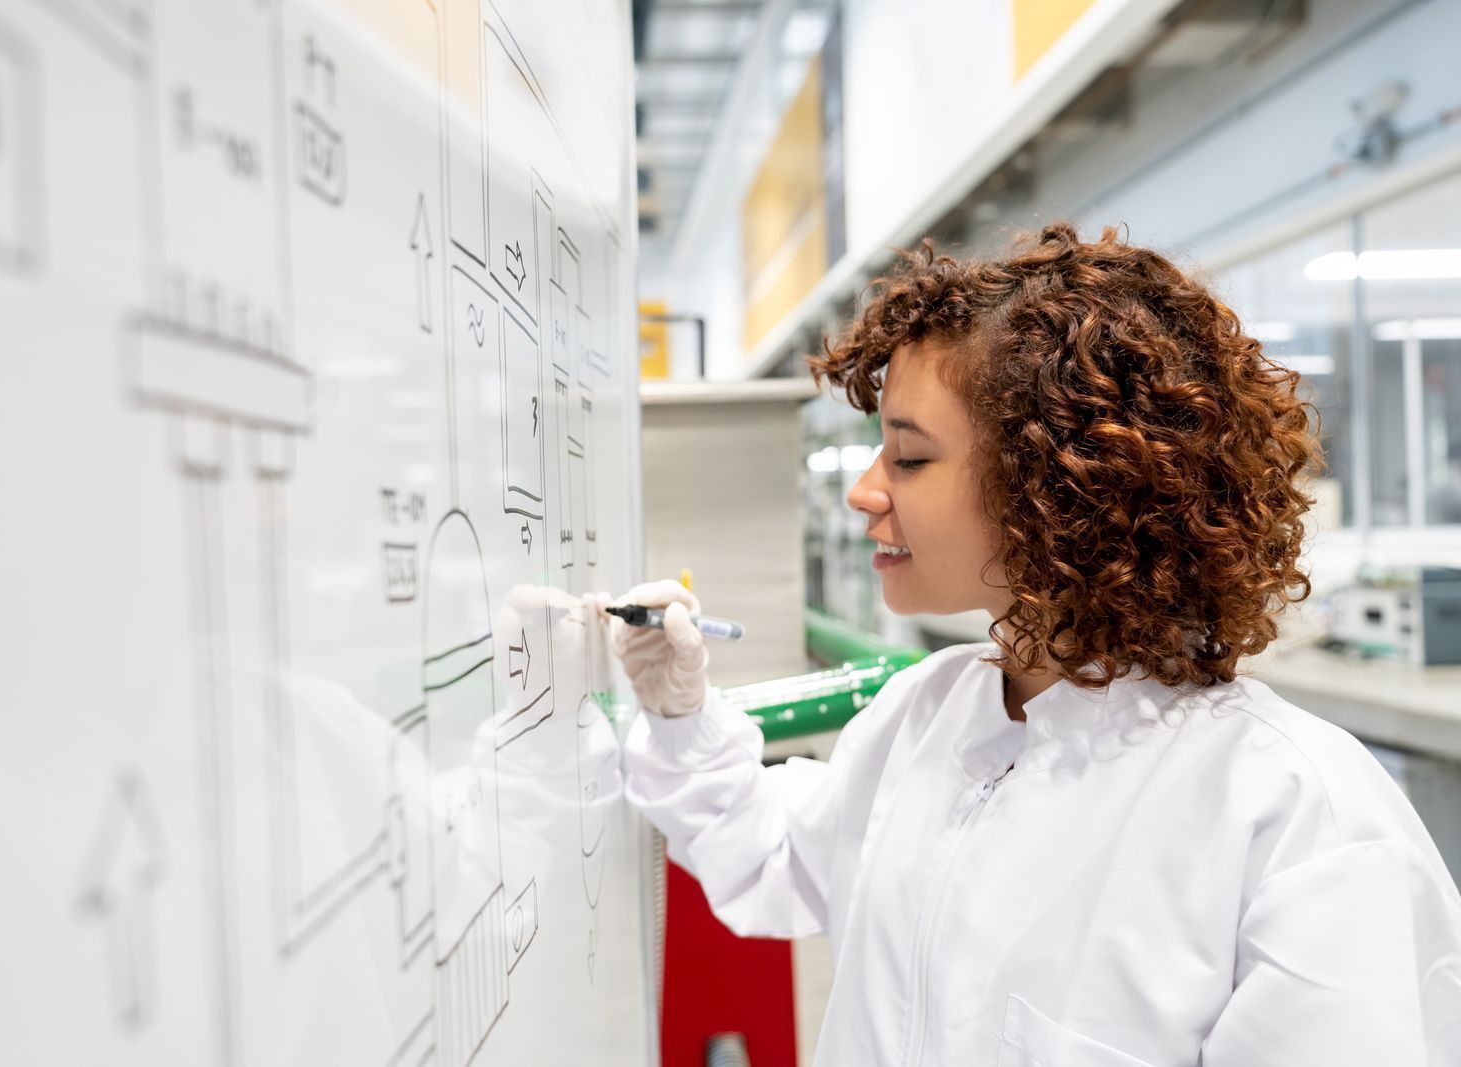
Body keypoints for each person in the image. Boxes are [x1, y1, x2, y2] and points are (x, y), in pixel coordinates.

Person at [605, 223, 1461, 1066]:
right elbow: (776, 850)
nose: (866, 492)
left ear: (1053, 485)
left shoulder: (1296, 817)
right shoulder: (928, 714)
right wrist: (680, 715)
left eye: (907, 458)